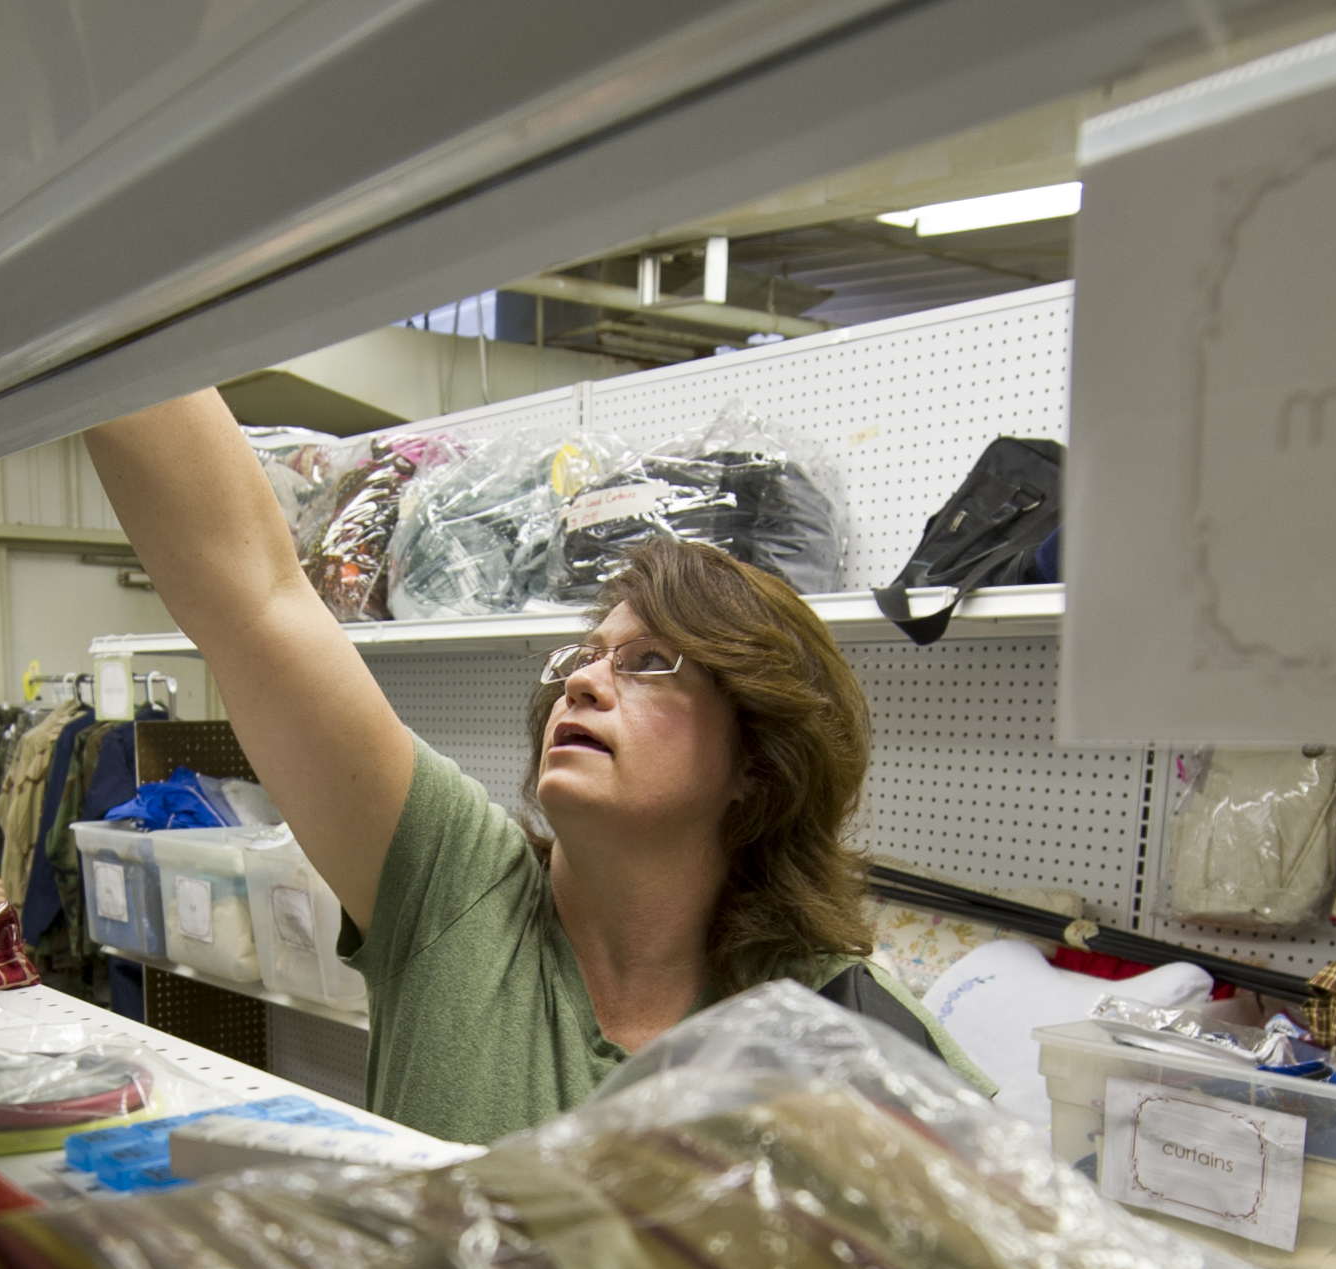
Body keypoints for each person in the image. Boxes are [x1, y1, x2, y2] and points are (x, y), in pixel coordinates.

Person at [80, 392, 990, 1146]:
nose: (582, 682)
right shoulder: (454, 889)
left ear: (756, 759)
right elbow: (255, 597)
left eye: (647, 664)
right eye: (581, 659)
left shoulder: (840, 1021)